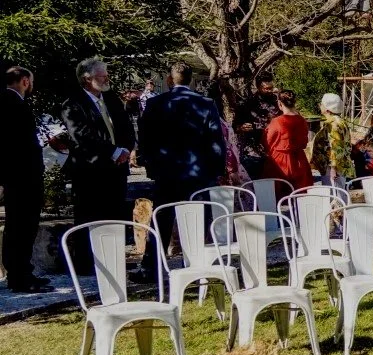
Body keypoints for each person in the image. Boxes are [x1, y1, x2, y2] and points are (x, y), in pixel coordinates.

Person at [137, 62, 226, 280]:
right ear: (191, 81)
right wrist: (217, 169)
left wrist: (150, 166)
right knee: (197, 219)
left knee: (162, 219)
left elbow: (145, 138)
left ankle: (151, 267)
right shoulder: (205, 103)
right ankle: (197, 263)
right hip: (198, 171)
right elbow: (216, 139)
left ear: (170, 80)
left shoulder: (155, 103)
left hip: (166, 172)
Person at [60, 57, 135, 271]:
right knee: (89, 215)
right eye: (103, 76)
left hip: (116, 169)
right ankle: (86, 263)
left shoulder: (110, 99)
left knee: (116, 214)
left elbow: (125, 126)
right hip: (90, 170)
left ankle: (115, 258)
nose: (107, 79)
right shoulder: (73, 104)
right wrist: (112, 151)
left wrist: (125, 149)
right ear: (87, 79)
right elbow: (82, 136)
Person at [1, 67, 47, 292]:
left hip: (16, 176)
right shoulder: (15, 104)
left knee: (17, 226)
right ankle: (20, 276)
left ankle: (20, 272)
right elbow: (20, 145)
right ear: (25, 81)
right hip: (23, 176)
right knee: (22, 227)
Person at [262, 89, 314, 190]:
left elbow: (266, 141)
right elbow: (304, 141)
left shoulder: (277, 122)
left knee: (277, 196)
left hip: (279, 162)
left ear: (280, 103)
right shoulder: (302, 120)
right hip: (299, 160)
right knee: (299, 194)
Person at [233, 73, 279, 178]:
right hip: (254, 152)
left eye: (271, 88)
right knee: (255, 185)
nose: (269, 91)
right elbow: (235, 126)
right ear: (258, 87)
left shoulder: (278, 102)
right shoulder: (247, 103)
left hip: (275, 150)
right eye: (266, 88)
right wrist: (241, 128)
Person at [310, 93, 355, 189]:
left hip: (332, 167)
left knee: (334, 195)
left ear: (327, 109)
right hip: (338, 165)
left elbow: (336, 147)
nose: (320, 105)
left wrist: (333, 168)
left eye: (321, 104)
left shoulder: (333, 124)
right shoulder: (339, 121)